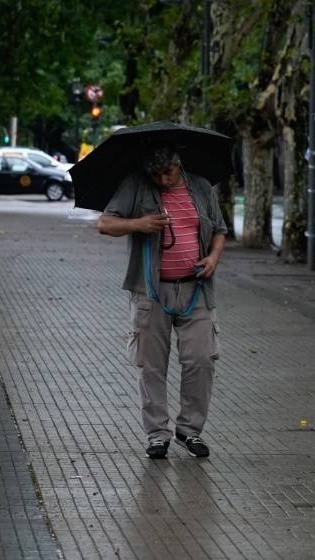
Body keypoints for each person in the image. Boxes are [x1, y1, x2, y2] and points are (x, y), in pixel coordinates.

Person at [96, 145, 227, 459]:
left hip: (196, 289)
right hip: (150, 291)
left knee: (201, 360)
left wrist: (213, 257)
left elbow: (219, 230)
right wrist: (138, 224)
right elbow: (105, 224)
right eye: (155, 174)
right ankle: (157, 435)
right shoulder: (136, 185)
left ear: (179, 165)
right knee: (151, 366)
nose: (162, 179)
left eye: (167, 172)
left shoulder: (200, 186)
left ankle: (189, 431)